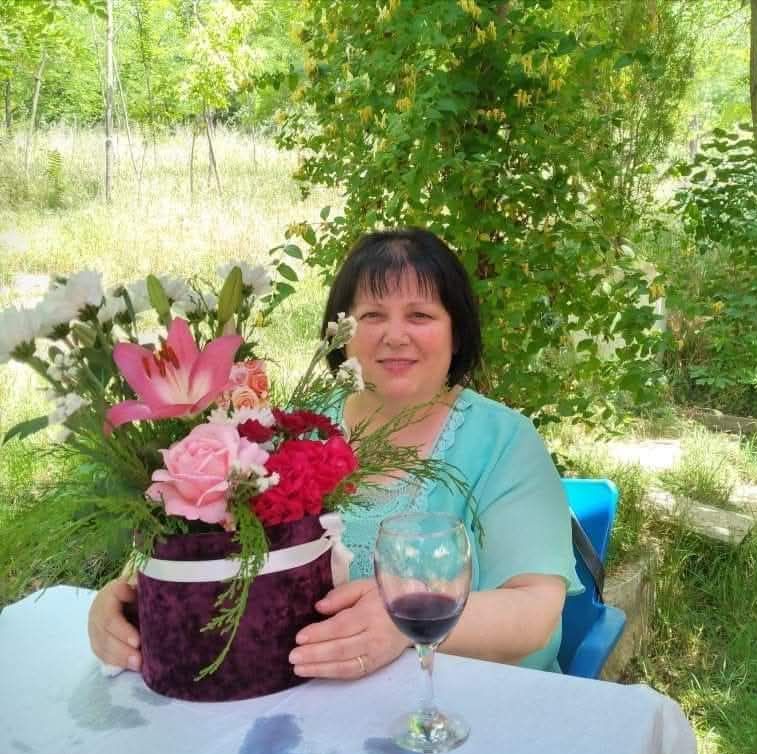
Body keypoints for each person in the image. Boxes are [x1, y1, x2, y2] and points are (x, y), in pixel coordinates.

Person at [88, 227, 583, 678]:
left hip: (468, 710)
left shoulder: (503, 441)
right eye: (372, 316)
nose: (394, 335)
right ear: (340, 335)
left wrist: (401, 622)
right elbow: (212, 553)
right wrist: (133, 600)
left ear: (457, 335)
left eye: (420, 315)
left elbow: (535, 613)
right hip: (313, 703)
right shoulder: (292, 430)